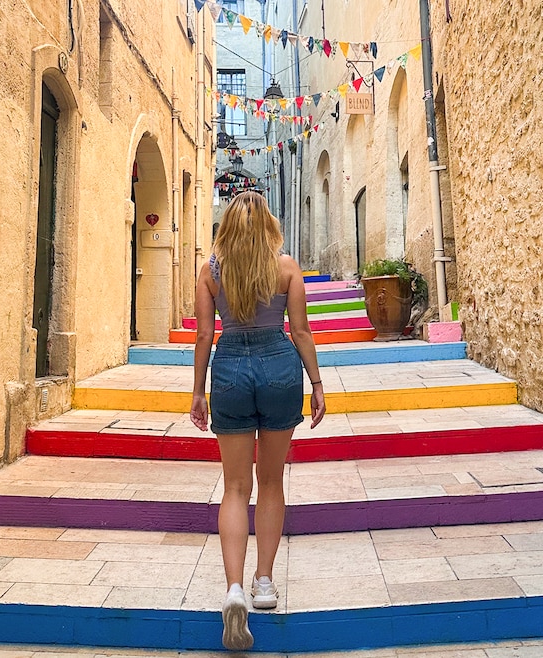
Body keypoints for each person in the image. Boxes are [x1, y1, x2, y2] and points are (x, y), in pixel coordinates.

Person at [190, 191, 326, 651]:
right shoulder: (286, 268)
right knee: (270, 483)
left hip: (228, 367)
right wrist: (317, 384)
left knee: (233, 488)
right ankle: (263, 583)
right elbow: (301, 331)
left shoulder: (210, 272)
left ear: (225, 226)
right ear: (268, 223)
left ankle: (233, 590)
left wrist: (197, 392)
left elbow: (206, 334)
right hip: (279, 367)